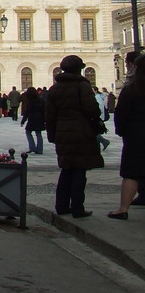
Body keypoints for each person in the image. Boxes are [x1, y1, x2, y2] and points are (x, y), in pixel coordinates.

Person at [45, 55, 104, 218]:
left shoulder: (54, 88)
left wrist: (52, 135)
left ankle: (61, 206)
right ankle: (77, 207)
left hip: (62, 132)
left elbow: (49, 116)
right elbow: (92, 109)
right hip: (81, 131)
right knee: (79, 169)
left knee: (66, 169)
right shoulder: (81, 86)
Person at [108, 54, 145, 219]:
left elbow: (121, 114)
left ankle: (123, 209)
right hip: (135, 133)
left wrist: (122, 131)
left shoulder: (131, 90)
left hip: (136, 135)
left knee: (131, 173)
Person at [20, 87, 45, 154]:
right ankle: (40, 150)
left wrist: (23, 121)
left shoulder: (30, 101)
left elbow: (27, 112)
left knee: (28, 132)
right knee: (38, 133)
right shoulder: (41, 100)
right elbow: (44, 110)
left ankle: (32, 147)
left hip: (32, 119)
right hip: (40, 119)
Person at [94, 86, 110, 151]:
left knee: (93, 131)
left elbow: (100, 107)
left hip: (96, 117)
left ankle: (103, 142)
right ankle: (103, 142)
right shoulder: (95, 96)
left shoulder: (97, 97)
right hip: (95, 116)